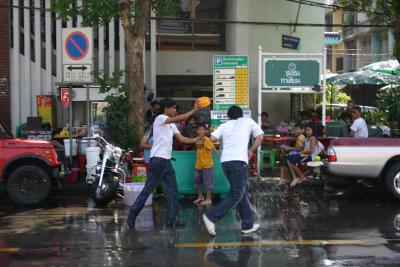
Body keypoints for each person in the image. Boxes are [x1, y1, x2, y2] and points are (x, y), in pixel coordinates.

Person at [127, 98, 202, 229]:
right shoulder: (160, 118)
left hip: (166, 161)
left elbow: (182, 138)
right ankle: (132, 215)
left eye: (175, 108)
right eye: (172, 108)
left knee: (173, 191)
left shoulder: (171, 124)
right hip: (158, 160)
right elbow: (178, 118)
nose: (175, 110)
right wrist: (193, 110)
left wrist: (196, 139)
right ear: (165, 108)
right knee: (148, 189)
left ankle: (171, 220)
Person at [202, 106, 264, 236]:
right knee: (236, 194)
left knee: (241, 193)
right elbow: (260, 137)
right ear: (241, 115)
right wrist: (251, 150)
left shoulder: (225, 125)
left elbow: (211, 139)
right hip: (239, 161)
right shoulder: (248, 121)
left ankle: (248, 224)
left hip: (225, 162)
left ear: (229, 116)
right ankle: (211, 216)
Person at [193, 124, 220, 206]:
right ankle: (201, 197)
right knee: (197, 181)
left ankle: (208, 199)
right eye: (199, 129)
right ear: (197, 131)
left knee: (208, 182)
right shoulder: (196, 140)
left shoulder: (207, 140)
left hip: (207, 165)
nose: (201, 131)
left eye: (202, 129)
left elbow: (214, 149)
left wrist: (220, 157)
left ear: (205, 131)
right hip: (198, 164)